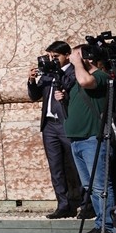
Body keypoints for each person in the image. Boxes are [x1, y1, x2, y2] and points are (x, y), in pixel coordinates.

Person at [67, 42, 116, 233]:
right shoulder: (79, 76)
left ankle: (108, 227)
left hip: (93, 139)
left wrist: (78, 63)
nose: (72, 60)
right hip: (77, 140)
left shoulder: (101, 76)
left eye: (76, 56)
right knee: (90, 186)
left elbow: (87, 82)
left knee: (101, 185)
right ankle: (99, 224)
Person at [27, 41, 79, 218]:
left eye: (56, 57)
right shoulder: (48, 74)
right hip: (49, 125)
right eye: (50, 57)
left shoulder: (73, 72)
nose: (52, 60)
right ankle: (63, 205)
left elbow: (73, 89)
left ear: (67, 55)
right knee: (55, 166)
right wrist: (31, 80)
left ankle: (87, 203)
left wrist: (57, 72)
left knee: (76, 164)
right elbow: (34, 96)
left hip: (66, 122)